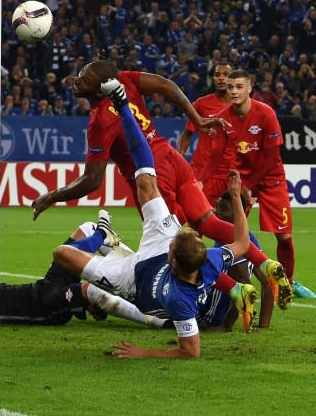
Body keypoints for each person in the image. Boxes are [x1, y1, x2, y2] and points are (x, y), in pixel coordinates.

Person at [30, 60, 292, 312]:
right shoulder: (126, 80)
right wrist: (197, 119)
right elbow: (167, 85)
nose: (77, 80)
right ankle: (265, 263)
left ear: (100, 86)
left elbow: (92, 180)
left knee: (174, 244)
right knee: (208, 223)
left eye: (85, 77)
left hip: (151, 178)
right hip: (170, 155)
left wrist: (51, 196)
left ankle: (235, 290)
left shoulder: (100, 121)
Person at [53, 78, 255, 358]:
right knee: (147, 182)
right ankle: (123, 106)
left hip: (131, 283)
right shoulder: (209, 260)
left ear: (173, 258)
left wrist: (142, 352)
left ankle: (102, 236)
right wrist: (234, 197)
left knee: (62, 253)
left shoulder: (179, 300)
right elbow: (242, 243)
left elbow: (191, 352)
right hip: (158, 245)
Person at [0, 220, 171, 330]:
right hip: (42, 306)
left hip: (43, 288)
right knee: (86, 290)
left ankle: (140, 271)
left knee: (86, 230)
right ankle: (158, 320)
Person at [200, 69, 316, 300]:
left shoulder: (266, 114)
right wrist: (200, 182)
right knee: (227, 231)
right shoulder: (224, 117)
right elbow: (216, 156)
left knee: (284, 237)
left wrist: (250, 185)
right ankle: (223, 280)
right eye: (231, 87)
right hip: (242, 179)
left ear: (250, 88)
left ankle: (288, 283)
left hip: (271, 180)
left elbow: (272, 157)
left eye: (239, 87)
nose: (234, 91)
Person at [204, 191, 274, 331]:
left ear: (238, 213)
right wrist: (263, 325)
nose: (216, 212)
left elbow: (244, 281)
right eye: (216, 207)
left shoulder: (229, 240)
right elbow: (268, 280)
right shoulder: (249, 237)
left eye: (223, 209)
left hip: (208, 316)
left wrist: (226, 325)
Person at [177, 62, 233, 205]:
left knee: (229, 217)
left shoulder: (240, 106)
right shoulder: (201, 104)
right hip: (202, 169)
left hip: (229, 171)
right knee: (198, 214)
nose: (221, 78)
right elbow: (187, 133)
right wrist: (179, 159)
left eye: (225, 75)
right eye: (217, 75)